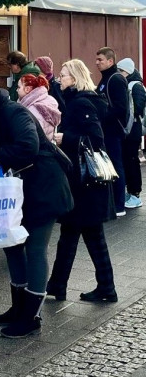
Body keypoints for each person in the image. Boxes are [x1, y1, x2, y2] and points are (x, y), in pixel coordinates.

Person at [0, 85, 73, 338]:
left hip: (44, 188)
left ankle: (31, 316)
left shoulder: (13, 112)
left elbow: (28, 145)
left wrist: (0, 157)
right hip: (18, 193)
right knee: (11, 246)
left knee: (34, 249)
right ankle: (19, 307)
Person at [47, 60, 118, 304]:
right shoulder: (84, 99)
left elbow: (96, 139)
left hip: (84, 183)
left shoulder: (81, 103)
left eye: (64, 76)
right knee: (84, 236)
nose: (60, 79)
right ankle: (99, 287)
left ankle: (61, 286)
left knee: (75, 235)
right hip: (87, 185)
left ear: (74, 79)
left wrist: (65, 137)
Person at [96, 47, 129, 217]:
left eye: (100, 59)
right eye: (97, 59)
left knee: (116, 165)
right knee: (110, 164)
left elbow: (120, 108)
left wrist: (102, 116)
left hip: (113, 130)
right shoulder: (105, 79)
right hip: (106, 130)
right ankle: (112, 202)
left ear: (110, 61)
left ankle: (119, 204)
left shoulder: (115, 79)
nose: (97, 63)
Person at [117, 58, 145, 209]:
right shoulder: (129, 84)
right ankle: (131, 192)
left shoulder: (135, 86)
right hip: (128, 129)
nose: (119, 73)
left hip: (132, 129)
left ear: (127, 71)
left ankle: (135, 194)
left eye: (120, 71)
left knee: (132, 161)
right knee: (128, 160)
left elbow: (138, 107)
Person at [16, 73, 61, 141]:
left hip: (36, 147)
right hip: (46, 144)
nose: (17, 90)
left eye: (19, 87)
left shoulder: (33, 110)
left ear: (27, 89)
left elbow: (33, 136)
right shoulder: (46, 99)